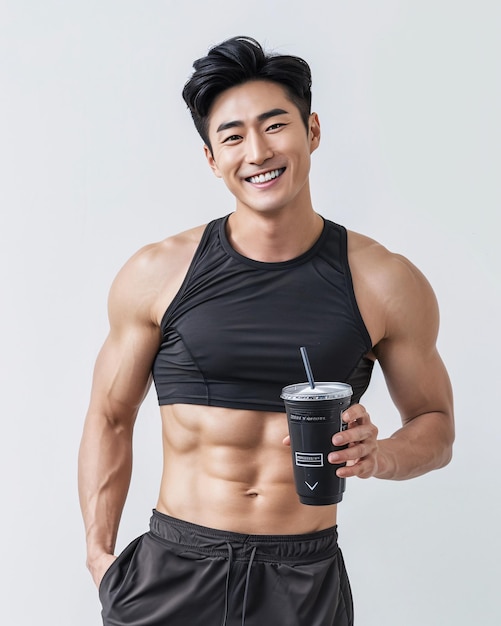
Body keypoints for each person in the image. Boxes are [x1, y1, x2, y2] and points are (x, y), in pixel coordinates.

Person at [78, 36, 454, 626]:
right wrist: (102, 561)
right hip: (174, 566)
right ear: (212, 158)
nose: (257, 151)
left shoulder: (384, 281)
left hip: (302, 577)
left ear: (313, 131)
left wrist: (377, 455)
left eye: (275, 125)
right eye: (232, 136)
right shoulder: (157, 273)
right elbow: (109, 416)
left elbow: (436, 426)